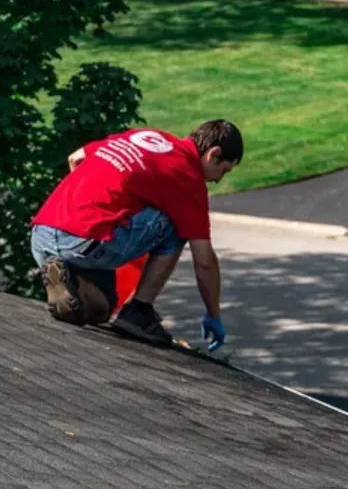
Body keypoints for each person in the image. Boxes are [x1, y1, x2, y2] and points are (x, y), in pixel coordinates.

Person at [30, 119, 242, 349]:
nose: (218, 179)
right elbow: (204, 262)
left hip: (42, 236)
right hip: (85, 242)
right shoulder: (188, 178)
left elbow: (76, 158)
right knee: (178, 225)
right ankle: (139, 310)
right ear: (214, 154)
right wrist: (213, 314)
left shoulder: (146, 136)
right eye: (223, 170)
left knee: (101, 308)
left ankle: (69, 277)